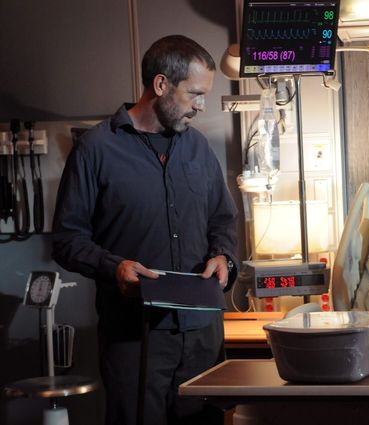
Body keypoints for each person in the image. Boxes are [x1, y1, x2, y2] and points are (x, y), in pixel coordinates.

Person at [52, 35, 238, 425]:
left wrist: (223, 256)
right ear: (161, 85)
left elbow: (222, 220)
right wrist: (113, 267)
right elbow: (67, 239)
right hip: (135, 338)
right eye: (195, 94)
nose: (201, 106)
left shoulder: (198, 148)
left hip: (202, 334)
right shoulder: (96, 149)